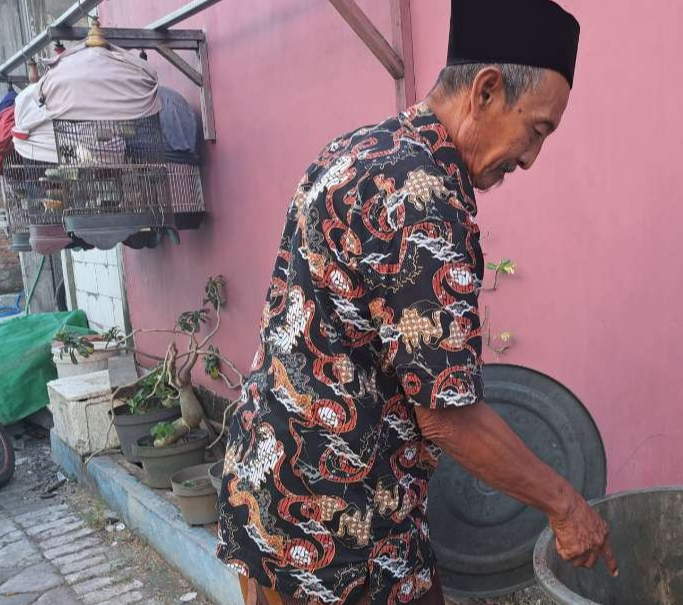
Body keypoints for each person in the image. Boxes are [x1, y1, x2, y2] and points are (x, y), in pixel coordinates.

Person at [216, 1, 616, 603]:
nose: (531, 158)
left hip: (267, 495)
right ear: (485, 90)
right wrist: (565, 506)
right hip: (339, 536)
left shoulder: (356, 149)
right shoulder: (426, 196)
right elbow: (446, 414)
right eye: (537, 129)